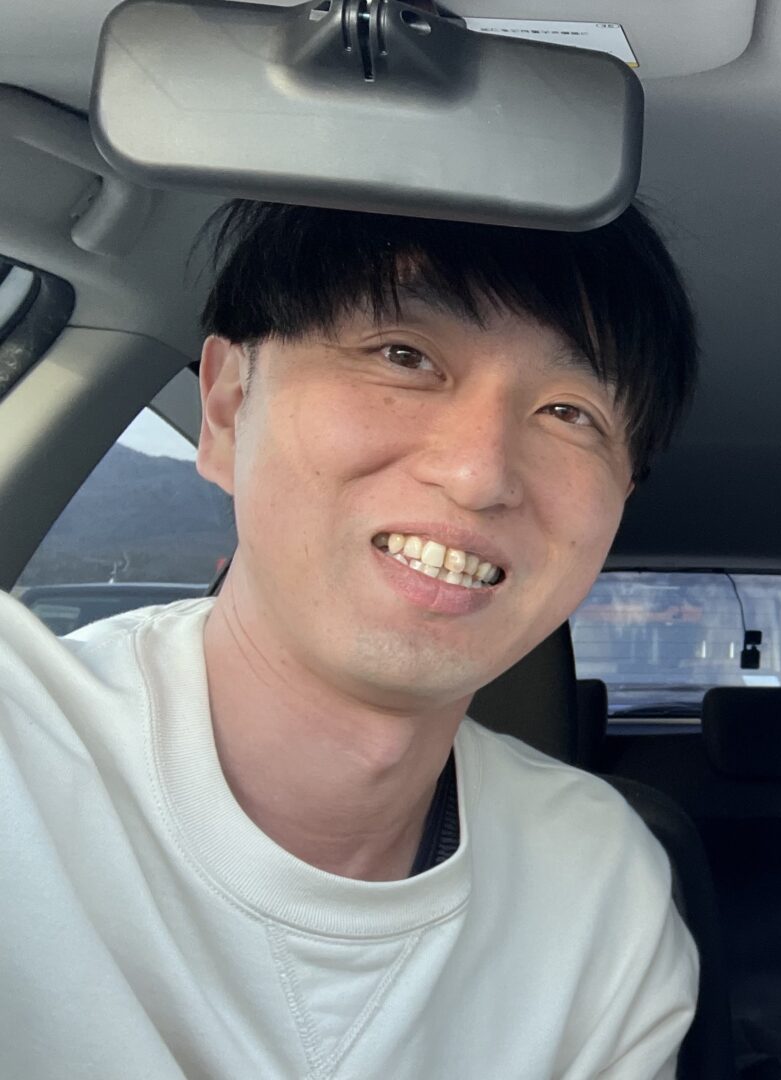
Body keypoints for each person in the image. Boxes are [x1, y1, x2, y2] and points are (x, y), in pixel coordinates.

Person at [0, 200, 700, 1078]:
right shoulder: (20, 750)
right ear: (227, 406)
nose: (478, 473)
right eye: (403, 356)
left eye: (569, 412)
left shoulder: (604, 889)